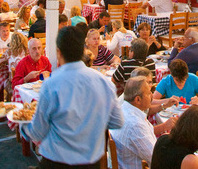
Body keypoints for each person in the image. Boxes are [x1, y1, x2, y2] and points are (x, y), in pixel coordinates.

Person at [23, 26, 123, 168]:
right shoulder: (103, 83)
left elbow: (38, 132)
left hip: (57, 162)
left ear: (59, 53)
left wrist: (23, 127)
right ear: (83, 50)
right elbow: (117, 122)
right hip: (90, 161)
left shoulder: (51, 84)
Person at [111, 77, 169, 169]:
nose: (152, 95)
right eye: (149, 93)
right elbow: (156, 158)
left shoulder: (124, 110)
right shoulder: (135, 124)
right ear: (138, 100)